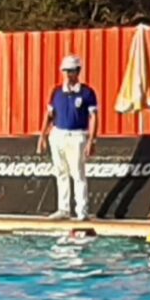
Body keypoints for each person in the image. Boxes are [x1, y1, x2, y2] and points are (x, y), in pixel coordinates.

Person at [44, 55, 98, 221]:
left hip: (77, 135)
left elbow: (94, 117)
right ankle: (63, 209)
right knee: (61, 172)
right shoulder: (56, 91)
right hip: (58, 134)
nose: (68, 74)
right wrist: (43, 135)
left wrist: (92, 140)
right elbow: (49, 115)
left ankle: (82, 211)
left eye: (71, 71)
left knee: (78, 173)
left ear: (78, 71)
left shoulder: (87, 92)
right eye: (65, 71)